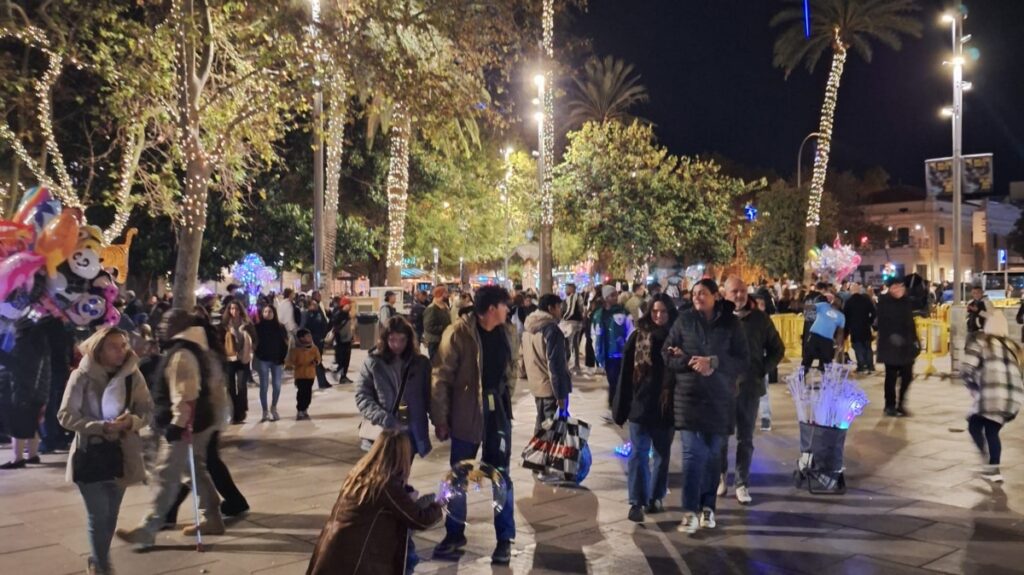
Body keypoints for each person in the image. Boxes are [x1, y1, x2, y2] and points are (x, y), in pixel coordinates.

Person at [116, 309, 229, 549]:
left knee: (167, 474)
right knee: (195, 470)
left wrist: (178, 425)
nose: (162, 325)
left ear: (180, 325)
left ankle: (148, 528)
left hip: (185, 424)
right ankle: (212, 517)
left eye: (168, 321)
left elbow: (186, 395)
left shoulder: (182, 355)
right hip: (198, 422)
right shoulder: (187, 349)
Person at [431, 285, 517, 565]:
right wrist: (441, 418)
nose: (508, 310)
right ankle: (454, 533)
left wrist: (505, 400)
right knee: (458, 476)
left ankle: (504, 539)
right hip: (467, 413)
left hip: (498, 413)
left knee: (501, 476)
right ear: (492, 308)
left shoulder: (508, 332)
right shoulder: (459, 333)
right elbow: (441, 377)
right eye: (505, 305)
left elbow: (511, 369)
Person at [58, 327, 152, 575]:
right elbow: (65, 415)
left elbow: (147, 410)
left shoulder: (133, 375)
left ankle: (96, 559)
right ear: (99, 348)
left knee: (110, 516)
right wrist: (99, 427)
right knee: (98, 516)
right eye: (113, 346)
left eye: (123, 345)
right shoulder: (82, 376)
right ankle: (103, 567)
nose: (121, 351)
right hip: (90, 454)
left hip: (122, 454)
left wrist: (131, 421)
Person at [663, 278, 748, 535]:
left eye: (703, 293)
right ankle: (689, 511)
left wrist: (713, 362)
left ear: (715, 295)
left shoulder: (731, 323)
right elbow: (666, 353)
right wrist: (690, 362)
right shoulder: (684, 320)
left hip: (719, 400)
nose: (697, 297)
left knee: (712, 456)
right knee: (691, 456)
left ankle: (707, 507)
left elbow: (743, 360)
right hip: (688, 399)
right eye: (695, 293)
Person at [307, 430, 442, 575]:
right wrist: (440, 502)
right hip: (355, 560)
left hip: (334, 551)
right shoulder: (386, 484)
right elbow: (419, 520)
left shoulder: (360, 473)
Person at [613, 293, 677, 523]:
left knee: (662, 455)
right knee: (638, 455)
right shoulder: (638, 336)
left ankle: (655, 496)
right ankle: (636, 502)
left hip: (665, 408)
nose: (659, 315)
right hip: (640, 406)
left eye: (663, 312)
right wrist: (620, 407)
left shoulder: (677, 338)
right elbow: (626, 374)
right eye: (655, 311)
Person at [720, 277, 784, 505]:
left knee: (745, 439)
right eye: (734, 291)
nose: (739, 295)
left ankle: (741, 483)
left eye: (742, 291)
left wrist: (761, 370)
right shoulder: (719, 319)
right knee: (719, 437)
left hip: (749, 388)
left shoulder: (759, 319)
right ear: (725, 293)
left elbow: (777, 349)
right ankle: (721, 477)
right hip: (722, 388)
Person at [355, 317, 433, 458]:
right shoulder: (373, 363)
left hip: (411, 431)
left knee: (403, 474)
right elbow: (362, 397)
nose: (397, 345)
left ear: (409, 340)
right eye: (392, 339)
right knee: (383, 477)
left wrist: (440, 421)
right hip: (382, 432)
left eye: (402, 340)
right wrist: (386, 419)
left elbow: (429, 396)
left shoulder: (421, 364)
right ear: (384, 339)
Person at [961, 311, 1024, 483]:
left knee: (974, 425)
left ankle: (987, 461)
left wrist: (973, 387)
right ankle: (994, 469)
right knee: (992, 429)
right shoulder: (1013, 346)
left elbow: (966, 369)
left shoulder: (982, 341)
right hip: (1013, 398)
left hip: (991, 394)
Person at [0, 318, 53, 469]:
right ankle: (32, 455)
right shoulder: (40, 343)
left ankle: (17, 459)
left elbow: (17, 366)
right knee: (32, 424)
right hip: (38, 391)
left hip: (24, 391)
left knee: (18, 426)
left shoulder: (25, 344)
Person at [522, 294, 573, 436]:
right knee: (553, 431)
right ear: (551, 308)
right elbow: (555, 365)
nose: (560, 311)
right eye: (559, 308)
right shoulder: (551, 330)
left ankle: (536, 456)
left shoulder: (528, 327)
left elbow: (522, 357)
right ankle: (550, 458)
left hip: (536, 386)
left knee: (541, 425)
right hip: (550, 389)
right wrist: (560, 396)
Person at [876, 277, 919, 417]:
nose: (899, 290)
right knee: (891, 377)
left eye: (901, 287)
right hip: (891, 345)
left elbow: (911, 324)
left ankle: (901, 404)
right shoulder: (884, 303)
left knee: (907, 376)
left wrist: (915, 340)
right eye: (895, 287)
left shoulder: (906, 302)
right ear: (890, 289)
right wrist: (892, 337)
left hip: (907, 345)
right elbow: (881, 324)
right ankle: (889, 405)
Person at [593, 285, 633, 418]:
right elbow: (594, 334)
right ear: (605, 298)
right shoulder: (599, 314)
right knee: (613, 381)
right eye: (612, 295)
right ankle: (614, 407)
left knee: (620, 382)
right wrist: (598, 353)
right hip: (608, 355)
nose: (615, 297)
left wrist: (628, 347)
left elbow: (631, 331)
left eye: (615, 294)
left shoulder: (624, 312)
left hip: (622, 354)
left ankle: (618, 408)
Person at [253, 304, 288, 422]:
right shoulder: (258, 327)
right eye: (265, 312)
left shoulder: (280, 327)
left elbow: (285, 343)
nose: (268, 314)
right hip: (263, 359)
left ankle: (274, 407)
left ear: (274, 313)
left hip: (277, 360)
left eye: (270, 312)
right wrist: (258, 354)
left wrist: (284, 357)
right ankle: (264, 411)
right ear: (262, 313)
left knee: (277, 386)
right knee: (264, 386)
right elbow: (255, 343)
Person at [801, 292, 845, 372]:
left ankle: (827, 381)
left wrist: (839, 343)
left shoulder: (841, 316)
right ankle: (800, 377)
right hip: (814, 335)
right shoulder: (823, 305)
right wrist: (803, 305)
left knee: (827, 361)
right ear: (832, 300)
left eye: (839, 301)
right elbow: (810, 307)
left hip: (827, 339)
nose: (836, 302)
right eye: (836, 300)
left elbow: (840, 332)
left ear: (841, 304)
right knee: (808, 357)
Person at [287, 328, 322, 420]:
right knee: (301, 393)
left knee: (308, 393)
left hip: (310, 375)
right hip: (300, 375)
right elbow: (291, 361)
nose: (310, 337)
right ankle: (300, 409)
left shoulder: (314, 348)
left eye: (310, 336)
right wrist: (295, 364)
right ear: (301, 338)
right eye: (307, 336)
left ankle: (305, 408)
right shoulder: (295, 350)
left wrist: (316, 361)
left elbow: (318, 357)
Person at [844, 283, 877, 374]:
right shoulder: (866, 300)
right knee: (868, 347)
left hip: (854, 328)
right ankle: (870, 366)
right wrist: (869, 321)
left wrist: (846, 331)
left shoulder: (849, 302)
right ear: (858, 290)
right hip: (866, 326)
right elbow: (874, 312)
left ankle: (861, 366)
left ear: (851, 291)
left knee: (858, 346)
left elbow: (845, 317)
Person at [301, 298, 331, 390]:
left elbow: (325, 324)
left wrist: (323, 335)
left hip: (319, 341)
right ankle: (320, 382)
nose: (316, 306)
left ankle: (322, 382)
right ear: (309, 305)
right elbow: (303, 328)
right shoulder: (306, 315)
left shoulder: (319, 313)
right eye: (313, 304)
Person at [561, 283, 586, 375]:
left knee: (570, 344)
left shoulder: (574, 296)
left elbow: (570, 312)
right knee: (574, 344)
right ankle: (576, 365)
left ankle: (573, 365)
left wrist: (562, 319)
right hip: (575, 323)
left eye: (567, 288)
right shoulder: (576, 297)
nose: (566, 290)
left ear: (572, 289)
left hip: (571, 323)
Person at [422, 286, 452, 362]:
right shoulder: (432, 308)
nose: (447, 295)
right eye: (445, 293)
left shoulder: (444, 306)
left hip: (443, 339)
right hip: (435, 342)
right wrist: (444, 328)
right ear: (440, 294)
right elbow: (428, 326)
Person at [331, 297, 355, 383]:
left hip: (347, 340)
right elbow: (335, 327)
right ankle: (339, 374)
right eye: (349, 304)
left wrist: (351, 336)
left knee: (346, 360)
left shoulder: (346, 314)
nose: (351, 306)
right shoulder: (339, 314)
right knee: (342, 359)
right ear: (344, 304)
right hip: (341, 341)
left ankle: (343, 376)